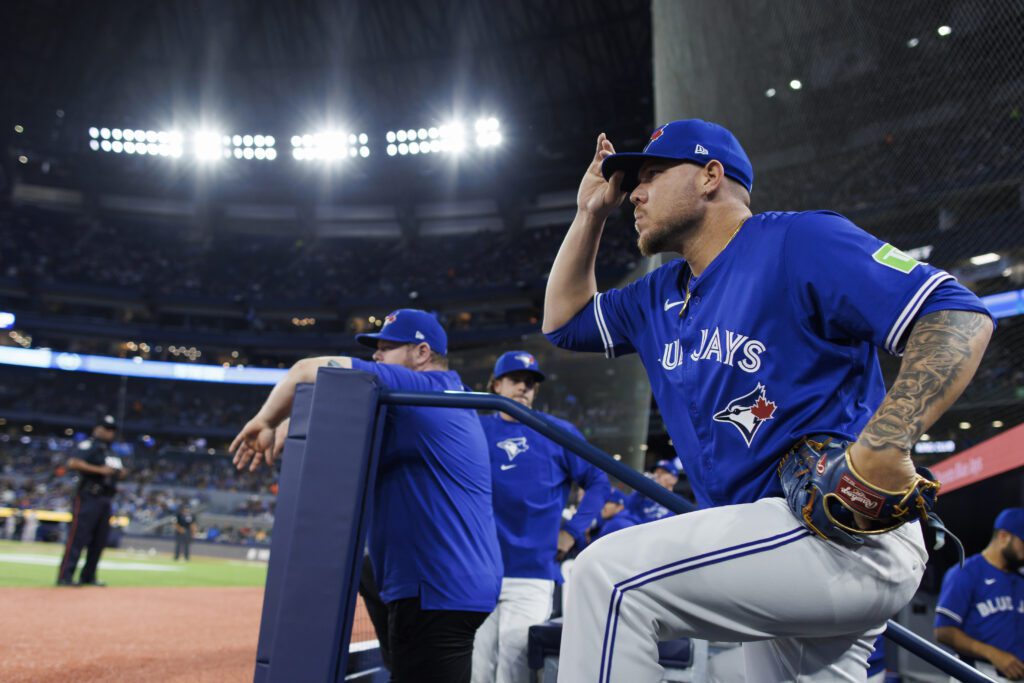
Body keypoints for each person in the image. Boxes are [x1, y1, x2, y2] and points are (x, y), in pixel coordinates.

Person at [541, 119, 994, 681]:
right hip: (768, 546)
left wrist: (887, 439)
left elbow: (955, 312)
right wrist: (589, 215)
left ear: (711, 177)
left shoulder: (797, 242)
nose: (634, 191)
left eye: (653, 174)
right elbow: (562, 323)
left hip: (837, 527)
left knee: (605, 579)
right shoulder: (657, 295)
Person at [231, 308, 502, 683]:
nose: (376, 356)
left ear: (421, 353)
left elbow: (306, 370)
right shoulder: (439, 396)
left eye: (387, 348)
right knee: (366, 572)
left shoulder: (422, 388)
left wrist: (267, 420)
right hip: (447, 580)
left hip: (437, 587)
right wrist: (296, 419)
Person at [473, 351, 609, 683]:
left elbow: (598, 482)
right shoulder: (474, 427)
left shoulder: (555, 431)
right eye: (516, 380)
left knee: (514, 669)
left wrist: (574, 531)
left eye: (531, 383)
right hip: (478, 570)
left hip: (531, 572)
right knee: (476, 670)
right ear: (496, 385)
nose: (524, 387)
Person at [934, 508, 1024, 681]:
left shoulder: (1020, 578)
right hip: (975, 671)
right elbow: (943, 631)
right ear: (1004, 537)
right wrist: (993, 654)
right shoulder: (967, 572)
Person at [57, 414, 125, 586]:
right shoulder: (89, 445)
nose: (109, 433)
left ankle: (88, 576)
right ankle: (65, 576)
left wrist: (120, 473)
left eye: (112, 430)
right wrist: (100, 470)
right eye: (106, 429)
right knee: (78, 536)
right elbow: (73, 463)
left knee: (99, 540)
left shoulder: (111, 451)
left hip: (106, 498)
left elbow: (119, 470)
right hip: (88, 496)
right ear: (98, 429)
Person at [623, 459, 679, 524]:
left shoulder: (678, 501)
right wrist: (640, 488)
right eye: (656, 472)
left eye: (663, 472)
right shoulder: (643, 498)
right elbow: (628, 510)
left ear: (674, 479)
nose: (657, 475)